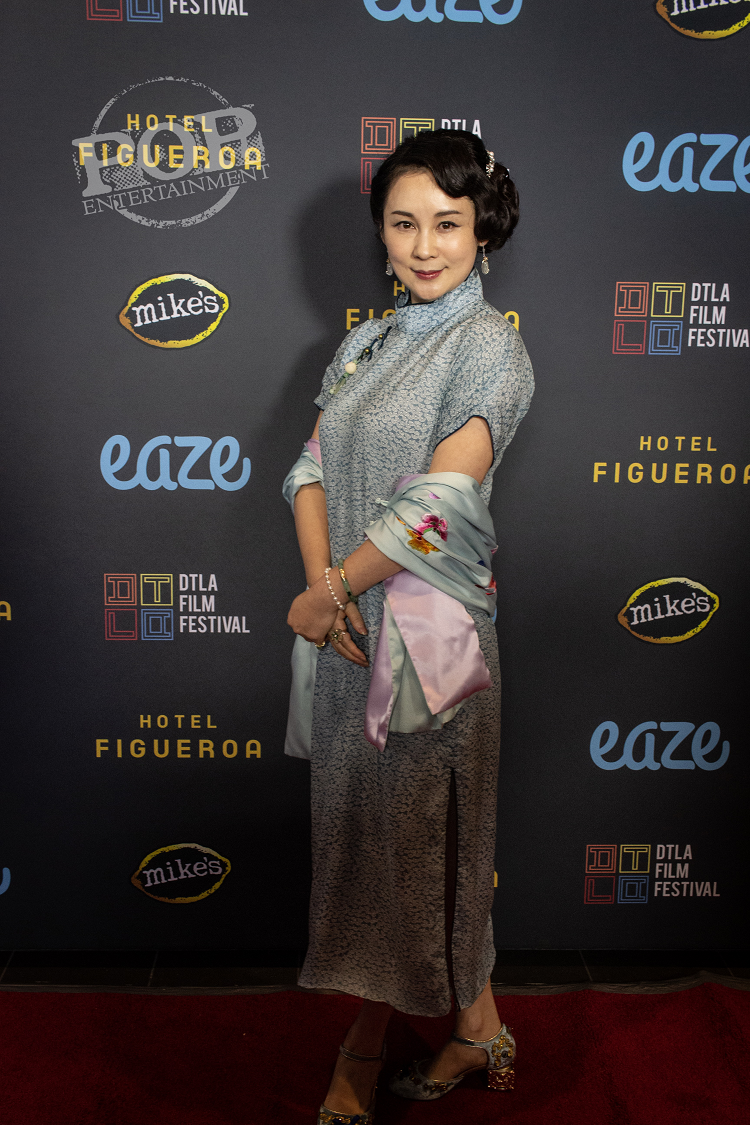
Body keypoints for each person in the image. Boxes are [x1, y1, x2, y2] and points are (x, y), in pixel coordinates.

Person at [283, 129, 534, 1124]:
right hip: (347, 631)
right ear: (381, 233)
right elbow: (308, 467)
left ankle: (362, 1046)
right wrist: (324, 590)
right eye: (403, 223)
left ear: (483, 231)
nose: (424, 246)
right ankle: (481, 1031)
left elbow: (438, 506)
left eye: (447, 223)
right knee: (368, 844)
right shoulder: (366, 342)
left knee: (420, 850)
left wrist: (330, 590)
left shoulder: (490, 347)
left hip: (428, 651)